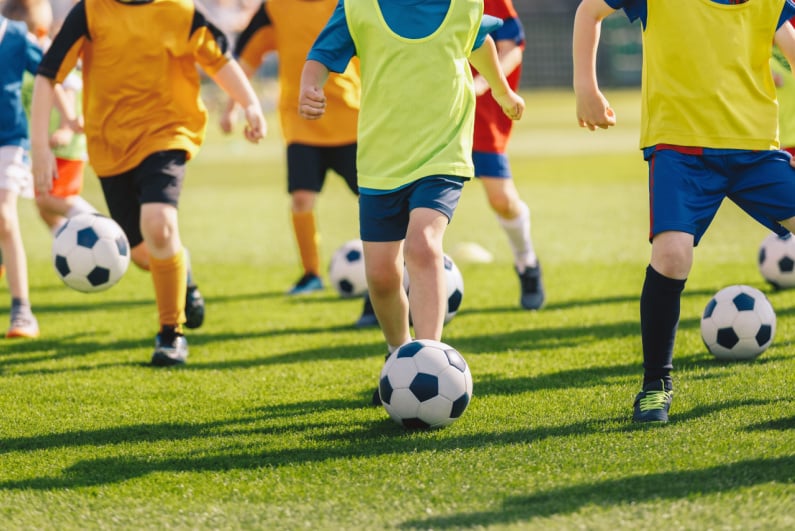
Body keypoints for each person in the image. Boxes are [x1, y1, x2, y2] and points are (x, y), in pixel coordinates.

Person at [573, 0, 795, 422]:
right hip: (680, 149)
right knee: (672, 256)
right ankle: (655, 385)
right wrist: (586, 86)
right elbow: (589, 11)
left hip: (755, 151)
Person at [300, 0, 524, 402]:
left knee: (422, 244)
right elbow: (321, 55)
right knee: (382, 276)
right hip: (381, 161)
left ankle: (430, 357)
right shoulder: (357, 7)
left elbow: (480, 42)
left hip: (443, 153)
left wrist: (504, 92)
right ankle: (399, 355)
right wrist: (309, 84)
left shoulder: (464, 5)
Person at [30, 0, 267, 365]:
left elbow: (219, 60)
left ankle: (171, 333)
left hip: (167, 132)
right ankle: (182, 274)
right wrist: (41, 148)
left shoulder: (182, 10)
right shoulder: (91, 11)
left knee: (159, 223)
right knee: (143, 254)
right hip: (110, 145)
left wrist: (249, 104)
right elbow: (48, 76)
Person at [353, 0, 540, 329]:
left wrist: (490, 82)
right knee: (401, 216)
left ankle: (527, 263)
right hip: (420, 123)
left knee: (502, 199)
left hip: (477, 115)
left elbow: (511, 45)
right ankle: (380, 296)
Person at [219, 0, 360, 296]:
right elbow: (246, 56)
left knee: (375, 201)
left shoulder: (349, 3)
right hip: (301, 122)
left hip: (351, 118)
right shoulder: (276, 6)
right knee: (301, 199)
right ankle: (311, 274)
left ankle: (390, 267)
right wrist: (231, 107)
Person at [0, 12, 43, 338]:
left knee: (4, 215)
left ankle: (22, 310)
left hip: (9, 139)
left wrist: (70, 116)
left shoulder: (15, 35)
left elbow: (52, 72)